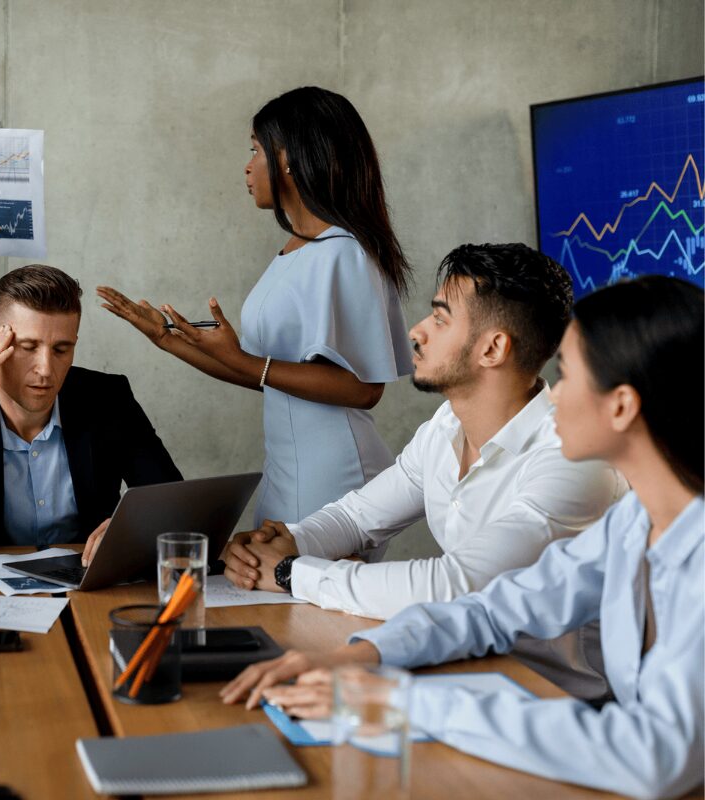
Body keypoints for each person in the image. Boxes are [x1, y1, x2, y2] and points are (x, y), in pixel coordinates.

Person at [221, 276, 703, 800]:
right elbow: (493, 609)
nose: (554, 392)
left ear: (622, 406)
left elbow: (655, 758)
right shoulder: (634, 521)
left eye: (568, 374)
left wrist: (403, 701)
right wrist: (361, 657)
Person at [221, 243, 626, 698]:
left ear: (493, 348)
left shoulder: (572, 459)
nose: (417, 331)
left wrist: (291, 572)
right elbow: (357, 517)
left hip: (559, 704)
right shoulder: (446, 427)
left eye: (440, 318)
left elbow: (456, 586)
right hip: (466, 675)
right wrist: (282, 545)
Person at [98, 86, 413, 528]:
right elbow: (259, 372)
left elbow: (364, 389)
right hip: (288, 468)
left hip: (331, 474)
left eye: (254, 150)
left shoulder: (344, 253)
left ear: (287, 158)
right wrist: (164, 339)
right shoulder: (298, 249)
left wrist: (250, 363)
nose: (247, 167)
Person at [0, 265, 182, 550]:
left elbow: (175, 506)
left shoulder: (108, 398)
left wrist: (132, 530)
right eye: (28, 348)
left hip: (88, 591)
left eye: (61, 349)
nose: (46, 369)